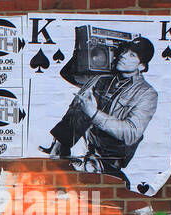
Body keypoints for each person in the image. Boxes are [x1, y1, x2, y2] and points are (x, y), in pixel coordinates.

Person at [41, 36, 158, 185]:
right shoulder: (103, 77)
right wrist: (84, 49)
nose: (123, 56)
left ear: (142, 66)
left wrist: (94, 114)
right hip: (82, 153)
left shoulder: (146, 93)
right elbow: (69, 75)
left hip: (107, 164)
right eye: (124, 52)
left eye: (132, 55)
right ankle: (57, 148)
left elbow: (131, 133)